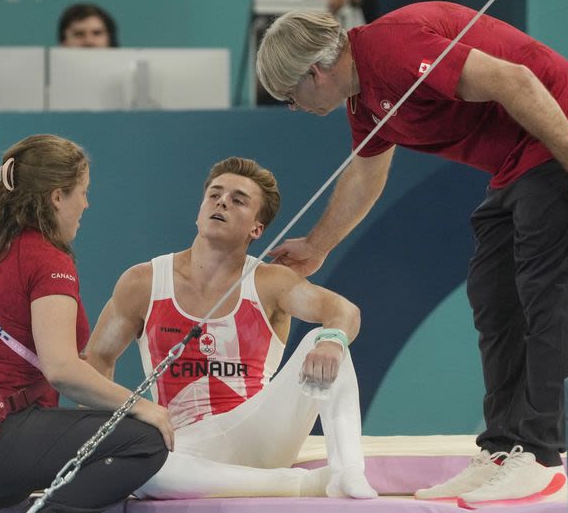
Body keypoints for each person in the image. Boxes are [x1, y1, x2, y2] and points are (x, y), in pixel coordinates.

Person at [255, 3, 568, 508]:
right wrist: (317, 246)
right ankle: (504, 447)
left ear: (314, 72)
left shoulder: (394, 50)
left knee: (546, 293)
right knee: (494, 296)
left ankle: (540, 455)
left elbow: (515, 80)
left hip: (562, 133)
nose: (296, 107)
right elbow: (366, 172)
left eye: (291, 96)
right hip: (518, 161)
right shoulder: (364, 100)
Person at [84, 157, 377, 500]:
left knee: (323, 339)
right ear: (199, 211)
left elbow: (345, 311)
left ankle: (348, 471)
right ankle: (306, 484)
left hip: (262, 434)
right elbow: (97, 360)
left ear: (257, 229)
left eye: (238, 200)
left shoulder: (270, 281)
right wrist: (98, 436)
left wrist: (332, 341)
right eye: (214, 194)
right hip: (187, 444)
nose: (222, 202)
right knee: (143, 472)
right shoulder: (144, 282)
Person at [0, 135, 171, 513]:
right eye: (83, 193)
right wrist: (141, 406)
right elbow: (62, 370)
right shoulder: (46, 259)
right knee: (145, 439)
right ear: (57, 197)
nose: (86, 204)